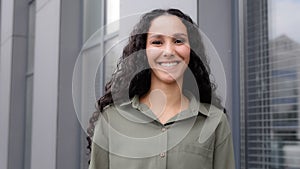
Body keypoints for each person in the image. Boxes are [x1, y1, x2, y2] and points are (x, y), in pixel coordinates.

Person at [87, 8, 235, 169]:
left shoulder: (215, 122)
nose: (169, 51)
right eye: (157, 42)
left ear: (191, 50)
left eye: (178, 41)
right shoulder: (111, 120)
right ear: (144, 51)